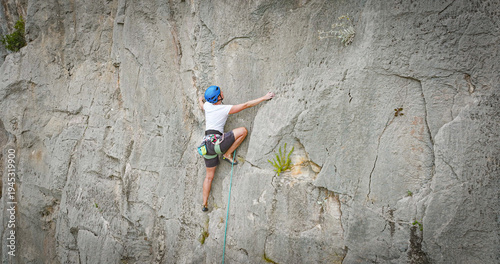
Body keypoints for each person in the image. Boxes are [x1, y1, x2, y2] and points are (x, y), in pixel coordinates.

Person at [198, 85, 275, 212]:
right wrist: (264, 97)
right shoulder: (223, 109)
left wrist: (200, 99)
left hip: (206, 147)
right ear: (218, 97)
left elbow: (202, 105)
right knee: (243, 131)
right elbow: (246, 105)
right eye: (220, 92)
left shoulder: (207, 106)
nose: (222, 92)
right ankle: (227, 154)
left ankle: (204, 204)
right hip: (217, 143)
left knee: (208, 177)